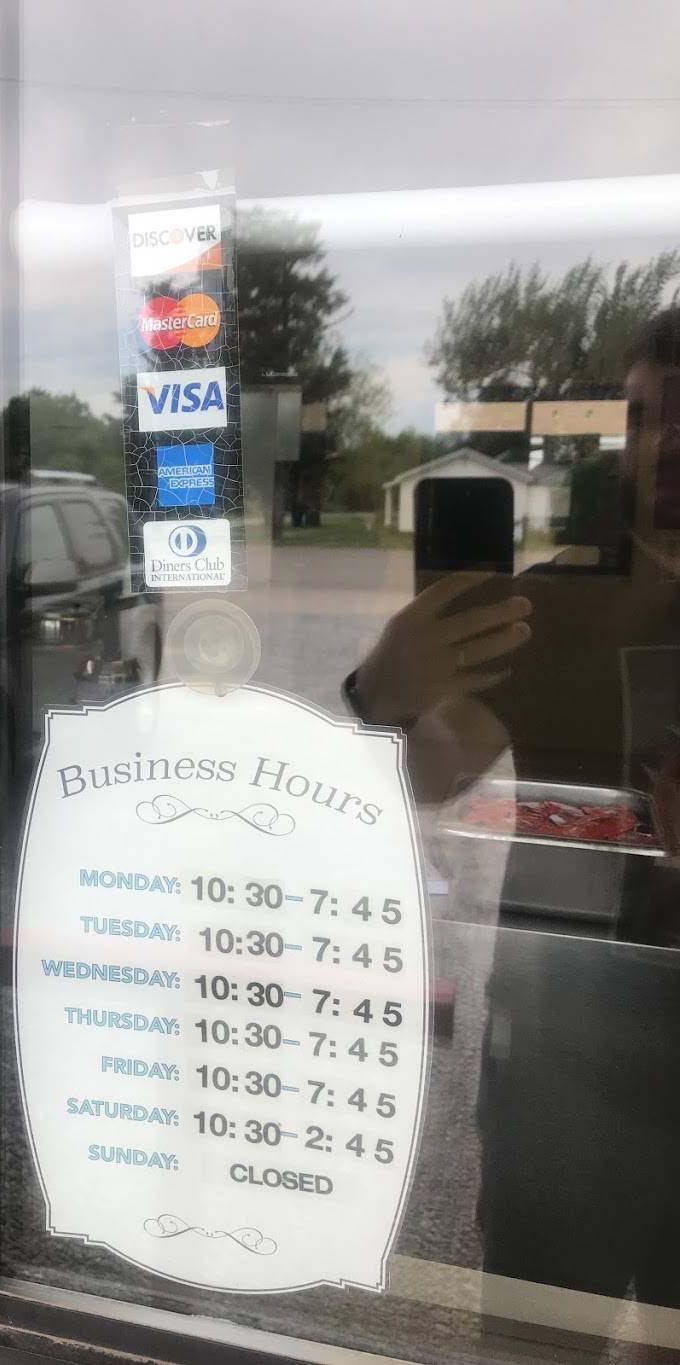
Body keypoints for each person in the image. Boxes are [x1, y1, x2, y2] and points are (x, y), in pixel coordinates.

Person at [347, 308, 680, 1321]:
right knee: (539, 1335)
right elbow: (426, 774)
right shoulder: (558, 602)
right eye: (642, 416)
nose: (662, 443)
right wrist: (380, 694)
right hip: (565, 1056)